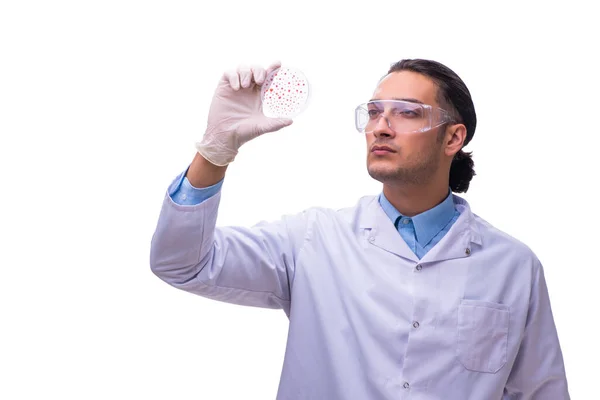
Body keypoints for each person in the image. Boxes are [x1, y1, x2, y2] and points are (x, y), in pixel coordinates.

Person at [150, 59, 570, 399]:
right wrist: (215, 150)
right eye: (373, 113)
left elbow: (540, 392)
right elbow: (182, 263)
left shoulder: (513, 266)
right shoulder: (313, 241)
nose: (381, 126)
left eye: (407, 112)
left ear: (452, 138)